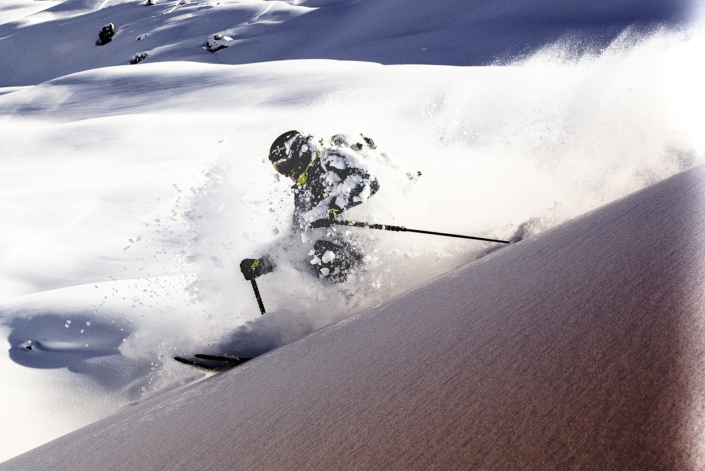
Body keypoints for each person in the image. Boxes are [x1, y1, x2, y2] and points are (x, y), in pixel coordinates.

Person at [240, 131, 380, 283]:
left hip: (368, 234)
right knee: (311, 259)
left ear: (299, 155)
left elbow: (368, 182)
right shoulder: (303, 191)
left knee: (323, 254)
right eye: (279, 169)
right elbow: (297, 236)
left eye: (285, 166)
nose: (286, 174)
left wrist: (329, 210)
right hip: (343, 240)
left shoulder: (330, 158)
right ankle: (335, 303)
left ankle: (362, 294)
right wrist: (264, 263)